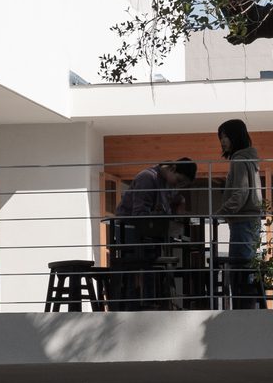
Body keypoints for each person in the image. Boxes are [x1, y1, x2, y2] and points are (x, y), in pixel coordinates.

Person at [111, 158, 197, 307]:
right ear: (172, 169)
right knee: (136, 270)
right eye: (179, 180)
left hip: (148, 233)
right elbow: (139, 214)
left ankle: (153, 303)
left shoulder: (166, 183)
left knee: (153, 269)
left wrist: (180, 203)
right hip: (130, 230)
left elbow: (175, 197)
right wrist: (163, 217)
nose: (178, 185)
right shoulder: (148, 178)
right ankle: (133, 307)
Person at [216, 119, 264, 308]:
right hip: (249, 220)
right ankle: (246, 307)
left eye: (225, 136)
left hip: (242, 221)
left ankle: (243, 310)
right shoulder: (249, 159)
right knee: (246, 267)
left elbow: (241, 193)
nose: (223, 141)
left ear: (236, 136)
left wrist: (220, 213)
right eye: (221, 137)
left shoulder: (239, 160)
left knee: (240, 268)